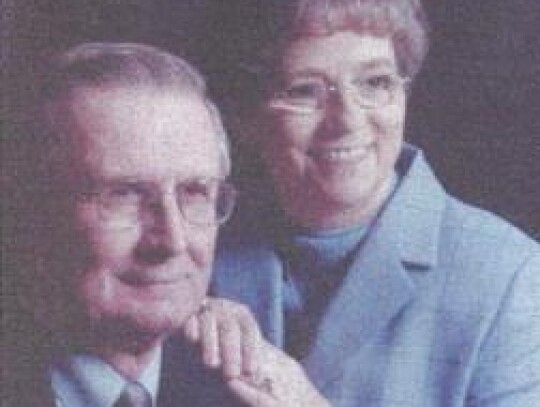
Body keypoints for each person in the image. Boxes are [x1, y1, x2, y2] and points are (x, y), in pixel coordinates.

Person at [211, 0, 540, 406]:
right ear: (245, 117)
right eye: (304, 90)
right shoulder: (193, 252)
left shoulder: (511, 276)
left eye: (375, 83)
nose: (346, 120)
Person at [6, 41, 287, 407]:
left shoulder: (248, 388)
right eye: (124, 194)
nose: (171, 240)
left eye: (195, 191)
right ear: (35, 211)